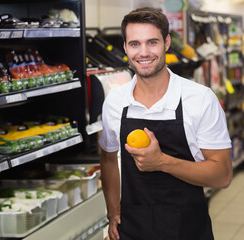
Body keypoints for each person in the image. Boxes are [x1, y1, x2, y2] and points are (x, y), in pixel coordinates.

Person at [98, 7, 232, 240]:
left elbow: (222, 175)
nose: (143, 52)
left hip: (187, 229)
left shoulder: (199, 99)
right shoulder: (115, 102)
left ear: (167, 43)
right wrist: (113, 211)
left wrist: (161, 162)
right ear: (125, 48)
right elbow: (108, 158)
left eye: (152, 42)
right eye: (135, 44)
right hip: (132, 228)